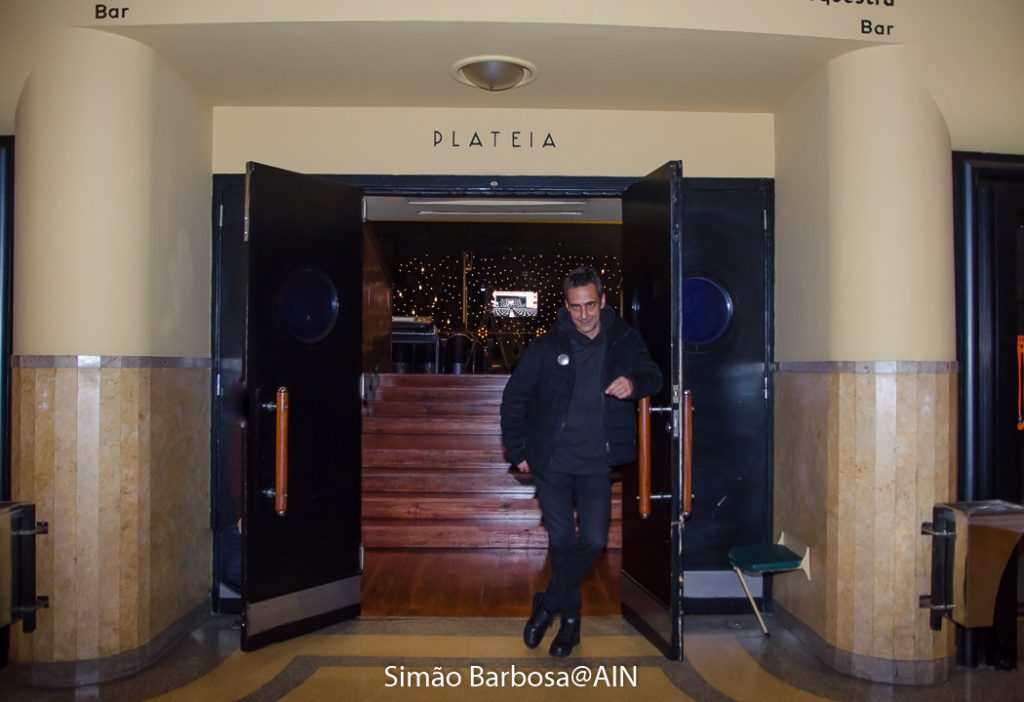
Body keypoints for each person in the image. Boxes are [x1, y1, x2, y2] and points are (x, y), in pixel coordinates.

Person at [500, 265, 663, 657]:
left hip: (595, 463)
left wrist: (634, 383)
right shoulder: (546, 347)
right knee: (561, 542)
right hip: (553, 462)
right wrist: (518, 452)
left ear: (602, 300)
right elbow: (515, 398)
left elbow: (653, 375)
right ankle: (570, 625)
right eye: (576, 307)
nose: (584, 314)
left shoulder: (623, 339)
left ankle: (547, 604)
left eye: (590, 305)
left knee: (592, 540)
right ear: (566, 306)